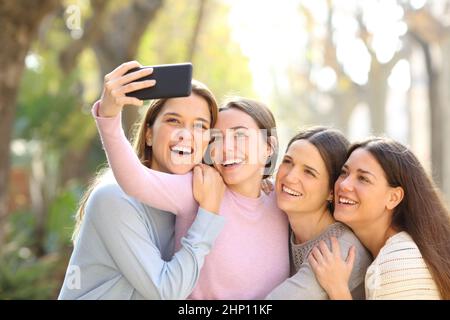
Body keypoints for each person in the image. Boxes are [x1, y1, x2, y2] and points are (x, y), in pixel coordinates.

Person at [94, 68, 290, 298]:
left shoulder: (282, 202)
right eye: (216, 137)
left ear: (269, 147)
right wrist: (108, 118)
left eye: (239, 135)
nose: (226, 148)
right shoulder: (198, 188)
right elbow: (135, 180)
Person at [59, 61, 226, 299]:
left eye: (200, 126)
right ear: (148, 134)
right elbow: (165, 291)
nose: (185, 134)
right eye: (173, 121)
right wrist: (208, 215)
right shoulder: (114, 198)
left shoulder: (196, 197)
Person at [309, 137, 450, 299]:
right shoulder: (399, 250)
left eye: (363, 178)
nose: (343, 185)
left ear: (393, 198)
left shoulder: (398, 262)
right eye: (344, 173)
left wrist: (338, 290)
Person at [266, 127, 372, 299]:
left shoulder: (338, 251)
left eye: (309, 172)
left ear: (332, 191)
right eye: (288, 162)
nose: (290, 177)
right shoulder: (283, 223)